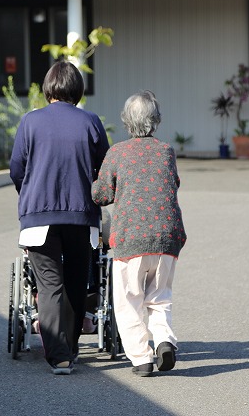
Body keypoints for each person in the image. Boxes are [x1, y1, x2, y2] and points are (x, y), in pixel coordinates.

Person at [9, 60, 110, 375]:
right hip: (80, 214)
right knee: (78, 281)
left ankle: (58, 355)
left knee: (50, 283)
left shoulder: (30, 122)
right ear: (78, 91)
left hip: (39, 215)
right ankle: (71, 345)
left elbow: (16, 169)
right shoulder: (90, 122)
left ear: (47, 89)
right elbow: (104, 171)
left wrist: (29, 194)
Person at [91, 90, 187, 377]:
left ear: (126, 121)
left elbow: (102, 194)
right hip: (167, 237)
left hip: (130, 239)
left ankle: (142, 359)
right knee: (159, 297)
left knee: (128, 300)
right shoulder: (166, 151)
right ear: (155, 120)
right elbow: (174, 184)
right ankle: (164, 341)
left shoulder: (117, 152)